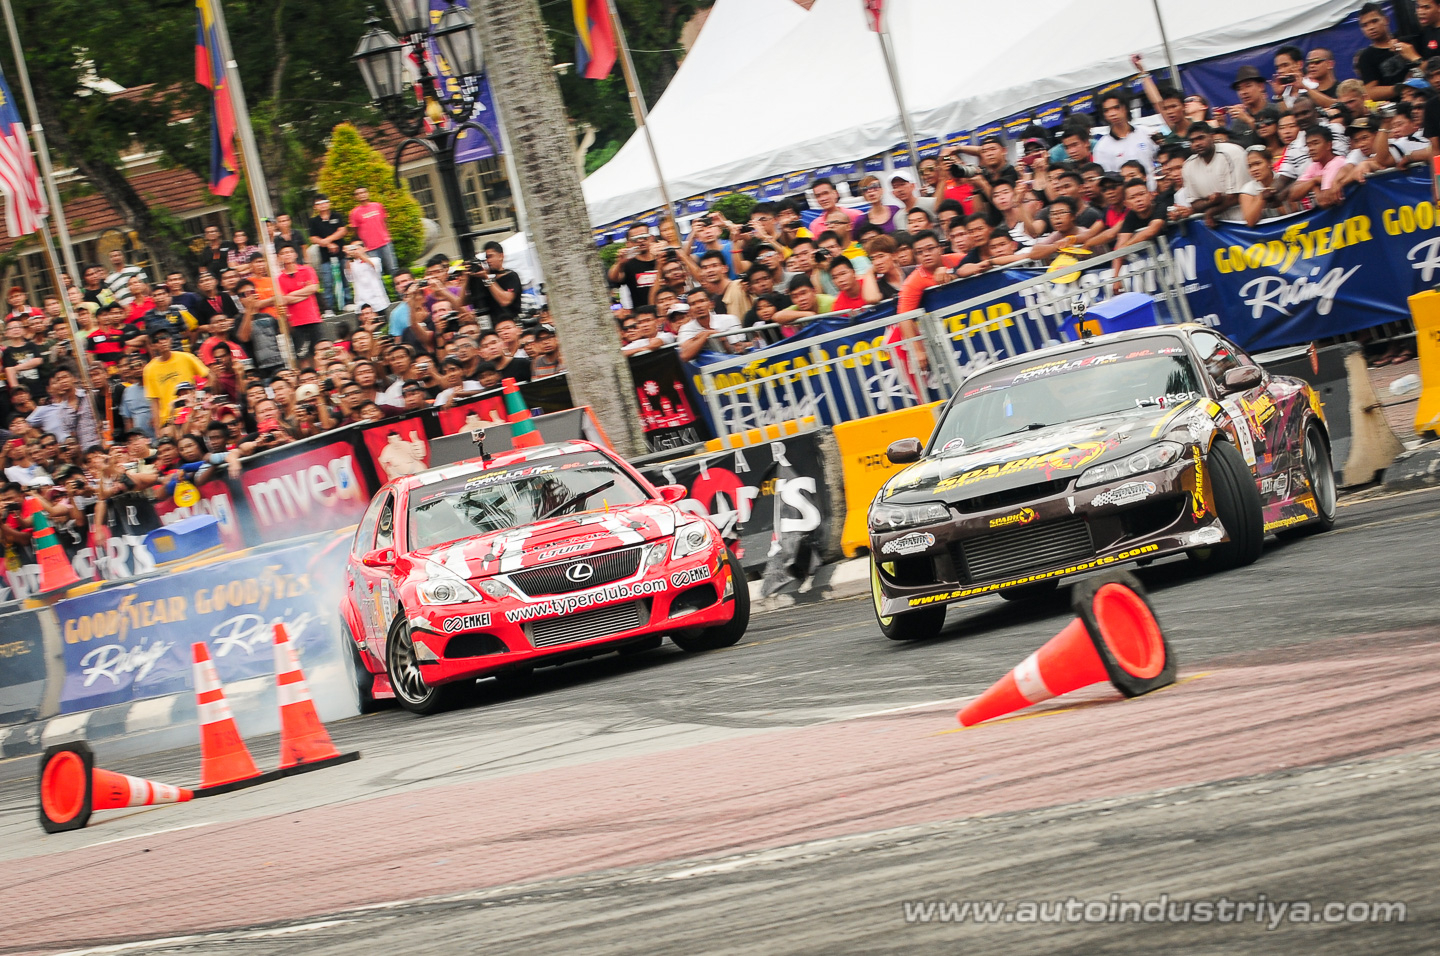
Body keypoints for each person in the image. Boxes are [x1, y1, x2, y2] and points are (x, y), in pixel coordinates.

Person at [1182, 122, 1253, 224]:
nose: (1197, 143)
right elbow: (1194, 204)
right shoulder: (1188, 165)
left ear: (1212, 136)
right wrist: (1210, 202)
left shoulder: (1232, 152)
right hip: (1217, 225)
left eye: (1201, 138)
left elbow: (1238, 196)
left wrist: (1211, 210)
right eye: (1193, 141)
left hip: (1245, 216)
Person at [142, 329, 207, 429]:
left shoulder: (186, 357)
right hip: (169, 419)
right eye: (156, 340)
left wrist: (200, 400)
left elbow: (209, 376)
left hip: (191, 414)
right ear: (152, 346)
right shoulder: (149, 369)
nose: (162, 341)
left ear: (170, 339)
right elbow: (154, 402)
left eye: (164, 337)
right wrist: (158, 430)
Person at [28, 368, 102, 448]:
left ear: (74, 379)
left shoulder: (89, 395)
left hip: (101, 443)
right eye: (58, 380)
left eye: (65, 377)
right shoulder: (61, 410)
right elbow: (72, 434)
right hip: (84, 449)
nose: (63, 381)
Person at [1092, 91, 1157, 180]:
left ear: (1125, 108)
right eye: (1106, 110)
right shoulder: (1102, 147)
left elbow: (1160, 160)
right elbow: (1107, 178)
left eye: (1116, 108)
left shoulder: (1146, 132)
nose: (1112, 113)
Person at [275, 244, 322, 362]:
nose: (287, 254)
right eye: (284, 253)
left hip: (313, 318)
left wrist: (291, 295)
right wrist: (305, 293)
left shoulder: (307, 270)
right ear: (279, 257)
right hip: (295, 322)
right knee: (302, 355)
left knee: (319, 352)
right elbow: (283, 299)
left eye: (290, 251)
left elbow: (314, 288)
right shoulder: (279, 278)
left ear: (295, 254)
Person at [676, 288, 748, 360]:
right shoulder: (685, 328)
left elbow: (738, 349)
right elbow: (685, 356)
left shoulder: (730, 320)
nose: (698, 306)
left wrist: (723, 340)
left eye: (702, 301)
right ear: (689, 310)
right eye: (693, 304)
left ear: (711, 304)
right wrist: (707, 335)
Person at [308, 195, 350, 315]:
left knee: (344, 278)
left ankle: (348, 302)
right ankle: (328, 308)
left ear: (329, 203)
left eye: (325, 202)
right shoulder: (313, 221)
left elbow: (343, 231)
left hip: (340, 254)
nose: (323, 205)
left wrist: (327, 240)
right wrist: (328, 244)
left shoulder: (337, 216)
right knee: (327, 282)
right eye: (319, 203)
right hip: (325, 257)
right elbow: (313, 238)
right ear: (315, 207)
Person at [1288, 125, 1347, 208]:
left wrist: (1310, 184)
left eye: (1316, 143)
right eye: (1308, 145)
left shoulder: (1337, 163)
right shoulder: (1314, 165)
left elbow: (1325, 201)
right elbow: (1293, 195)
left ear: (1329, 145)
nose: (1311, 149)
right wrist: (1314, 182)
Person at [608, 223, 660, 309]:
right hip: (643, 315)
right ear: (629, 243)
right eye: (636, 239)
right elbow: (613, 278)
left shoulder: (661, 259)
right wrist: (619, 263)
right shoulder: (627, 264)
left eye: (644, 237)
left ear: (651, 238)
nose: (640, 241)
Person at [349, 186, 396, 276]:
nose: (361, 195)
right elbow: (355, 231)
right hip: (369, 247)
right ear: (355, 197)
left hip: (385, 243)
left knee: (393, 268)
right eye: (358, 194)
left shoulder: (378, 206)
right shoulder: (354, 213)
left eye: (363, 192)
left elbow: (385, 221)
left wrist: (388, 236)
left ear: (367, 193)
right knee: (376, 272)